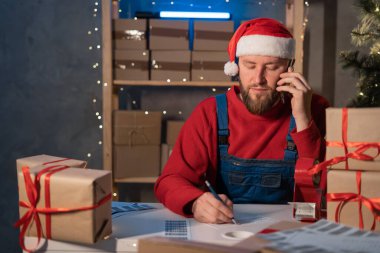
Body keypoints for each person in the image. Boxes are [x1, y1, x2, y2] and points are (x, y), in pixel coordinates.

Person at [154, 18, 329, 224]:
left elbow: (328, 188)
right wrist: (195, 202)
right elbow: (169, 181)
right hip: (227, 231)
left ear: (289, 69)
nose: (258, 78)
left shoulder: (315, 109)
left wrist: (303, 120)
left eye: (272, 67)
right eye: (249, 65)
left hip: (298, 229)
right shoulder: (210, 113)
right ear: (236, 67)